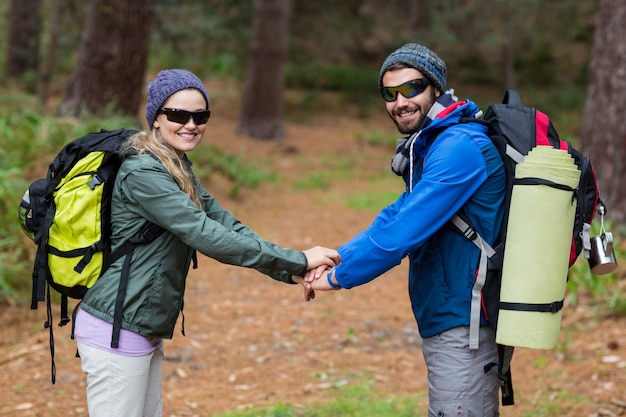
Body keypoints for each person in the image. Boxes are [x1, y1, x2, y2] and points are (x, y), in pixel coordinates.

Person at [73, 69, 339, 417]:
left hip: (141, 325)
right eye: (178, 115)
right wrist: (299, 260)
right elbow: (205, 234)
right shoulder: (143, 172)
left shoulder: (175, 165)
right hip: (116, 328)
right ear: (156, 118)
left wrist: (289, 270)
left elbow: (224, 223)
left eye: (201, 116)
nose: (191, 124)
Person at [305, 44, 506, 416]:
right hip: (450, 314)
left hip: (465, 318)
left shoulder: (459, 147)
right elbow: (393, 217)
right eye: (389, 93)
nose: (400, 101)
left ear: (435, 88)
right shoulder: (435, 145)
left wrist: (335, 279)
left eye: (411, 89)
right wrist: (336, 258)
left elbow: (401, 235)